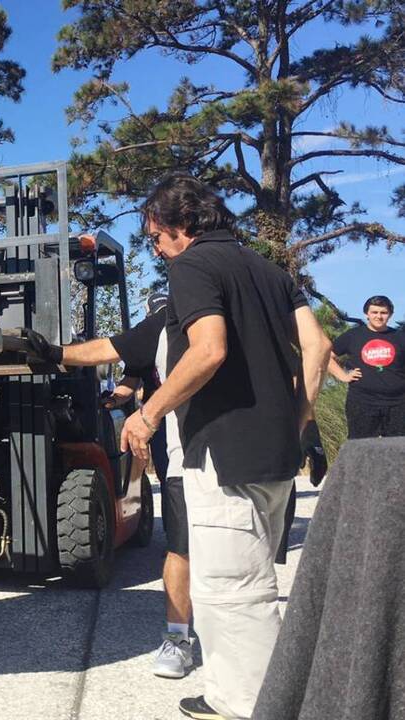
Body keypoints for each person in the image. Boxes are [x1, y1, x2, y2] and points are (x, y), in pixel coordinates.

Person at [116, 175, 330, 720]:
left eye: (156, 237)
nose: (157, 248)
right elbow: (318, 345)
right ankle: (247, 695)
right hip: (275, 454)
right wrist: (299, 417)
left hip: (224, 451)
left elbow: (208, 351)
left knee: (232, 592)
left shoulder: (192, 266)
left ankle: (248, 705)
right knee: (255, 581)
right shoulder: (268, 270)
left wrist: (148, 413)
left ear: (180, 225)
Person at [59, 289, 194, 679]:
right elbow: (129, 379)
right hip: (161, 422)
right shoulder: (150, 340)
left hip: (174, 420)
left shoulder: (197, 331)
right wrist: (110, 399)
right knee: (171, 482)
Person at [327, 295, 405, 438]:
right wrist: (342, 375)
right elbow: (326, 356)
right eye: (374, 312)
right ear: (367, 314)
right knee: (359, 448)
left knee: (398, 451)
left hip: (398, 403)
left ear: (390, 315)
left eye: (383, 313)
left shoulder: (400, 337)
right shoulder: (353, 335)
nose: (379, 316)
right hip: (362, 402)